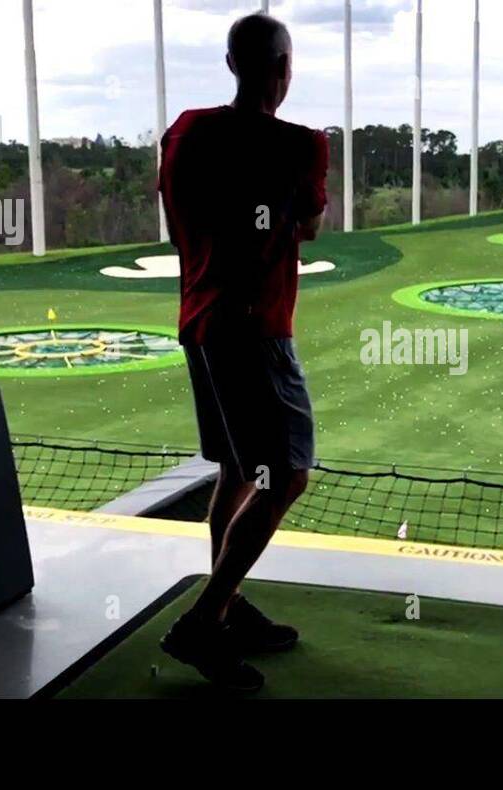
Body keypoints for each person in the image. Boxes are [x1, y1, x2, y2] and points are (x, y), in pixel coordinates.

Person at [156, 12, 327, 693]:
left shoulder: (185, 131)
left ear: (232, 65)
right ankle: (201, 623)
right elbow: (310, 225)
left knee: (236, 468)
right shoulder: (303, 144)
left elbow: (177, 221)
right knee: (285, 473)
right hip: (257, 332)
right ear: (284, 71)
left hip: (199, 321)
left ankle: (223, 609)